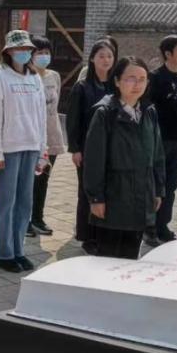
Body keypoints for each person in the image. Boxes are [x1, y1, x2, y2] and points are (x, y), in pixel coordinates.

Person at [83, 57, 166, 259]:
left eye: (142, 79)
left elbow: (157, 155)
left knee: (130, 259)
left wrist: (158, 189)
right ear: (117, 81)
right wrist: (96, 198)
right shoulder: (105, 114)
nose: (137, 84)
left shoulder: (149, 112)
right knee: (107, 260)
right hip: (114, 196)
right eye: (131, 78)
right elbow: (94, 160)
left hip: (141, 197)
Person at [0, 30, 48, 272]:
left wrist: (42, 150)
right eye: (19, 48)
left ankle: (18, 249)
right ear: (9, 51)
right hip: (9, 148)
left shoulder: (35, 79)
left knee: (24, 202)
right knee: (6, 202)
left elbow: (41, 116)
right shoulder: (0, 77)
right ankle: (3, 253)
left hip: (31, 146)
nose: (24, 52)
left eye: (27, 49)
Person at [65, 39, 116, 254]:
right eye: (101, 56)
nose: (106, 60)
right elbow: (73, 120)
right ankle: (87, 236)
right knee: (87, 192)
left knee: (107, 191)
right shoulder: (82, 87)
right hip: (87, 149)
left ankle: (103, 232)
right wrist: (75, 149)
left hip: (111, 148)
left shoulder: (116, 86)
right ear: (92, 59)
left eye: (109, 56)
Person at [145, 34, 177, 246]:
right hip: (158, 140)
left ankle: (163, 226)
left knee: (171, 185)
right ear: (168, 53)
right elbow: (147, 109)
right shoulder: (156, 78)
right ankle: (149, 228)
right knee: (156, 184)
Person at [27, 35, 65, 237]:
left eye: (47, 52)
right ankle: (25, 221)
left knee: (43, 180)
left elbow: (55, 105)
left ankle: (37, 218)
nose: (44, 56)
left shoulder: (54, 76)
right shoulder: (27, 76)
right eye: (39, 52)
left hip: (52, 136)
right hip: (32, 137)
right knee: (29, 181)